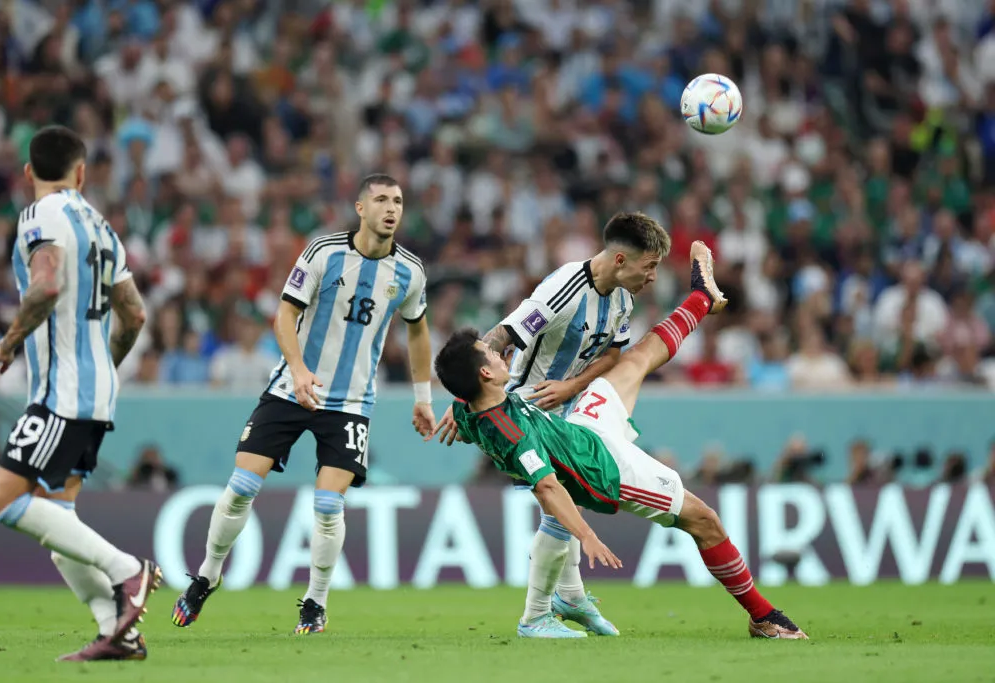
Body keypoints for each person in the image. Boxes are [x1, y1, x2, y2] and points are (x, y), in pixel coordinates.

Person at [434, 242, 808, 640]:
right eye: (488, 356)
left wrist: (459, 398)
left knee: (638, 358)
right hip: (604, 469)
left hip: (583, 426)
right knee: (704, 520)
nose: (500, 354)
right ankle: (763, 616)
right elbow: (547, 487)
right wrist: (589, 536)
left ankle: (702, 298)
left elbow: (475, 387)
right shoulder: (510, 425)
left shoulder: (474, 406)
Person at [171, 174, 437, 634]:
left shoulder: (410, 271)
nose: (391, 208)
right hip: (290, 390)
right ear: (360, 208)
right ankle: (208, 576)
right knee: (239, 488)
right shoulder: (323, 252)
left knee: (329, 506)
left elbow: (417, 330)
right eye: (380, 200)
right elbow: (286, 315)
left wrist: (422, 397)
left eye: (397, 201)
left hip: (351, 402)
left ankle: (314, 603)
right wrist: (297, 371)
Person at [432, 211, 669, 637]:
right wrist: (464, 394)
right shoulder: (563, 290)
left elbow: (613, 355)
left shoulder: (623, 300)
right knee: (557, 498)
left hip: (567, 404)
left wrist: (572, 385)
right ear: (620, 259)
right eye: (649, 265)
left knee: (566, 501)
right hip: (524, 406)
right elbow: (500, 337)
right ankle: (538, 615)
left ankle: (571, 598)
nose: (653, 276)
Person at [0, 125, 159, 661]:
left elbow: (48, 283)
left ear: (30, 173)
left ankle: (129, 570)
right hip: (96, 390)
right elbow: (135, 314)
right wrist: (105, 366)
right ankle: (116, 632)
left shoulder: (41, 214)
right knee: (57, 522)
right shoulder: (103, 228)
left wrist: (7, 344)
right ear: (82, 173)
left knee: (3, 500)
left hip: (62, 391)